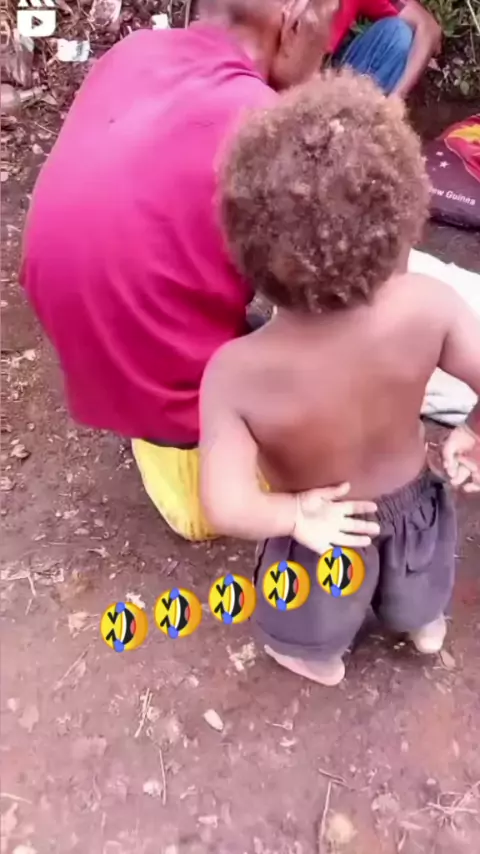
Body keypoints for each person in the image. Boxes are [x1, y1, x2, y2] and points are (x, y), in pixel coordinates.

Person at [21, 0, 379, 548]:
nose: (326, 50)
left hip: (104, 358)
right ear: (294, 20)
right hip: (186, 433)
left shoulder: (132, 52)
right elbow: (329, 296)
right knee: (362, 360)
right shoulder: (267, 127)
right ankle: (232, 481)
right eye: (327, 31)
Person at [199, 69, 480, 687]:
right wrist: (472, 430)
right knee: (418, 586)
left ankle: (317, 655)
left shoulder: (235, 374)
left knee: (314, 612)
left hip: (326, 526)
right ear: (404, 227)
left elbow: (224, 503)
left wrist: (294, 515)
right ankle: (422, 624)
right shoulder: (430, 306)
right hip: (413, 510)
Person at [329, 0, 442, 96]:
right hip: (320, 75)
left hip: (333, 79)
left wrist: (396, 98)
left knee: (397, 33)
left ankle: (371, 109)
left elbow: (428, 28)